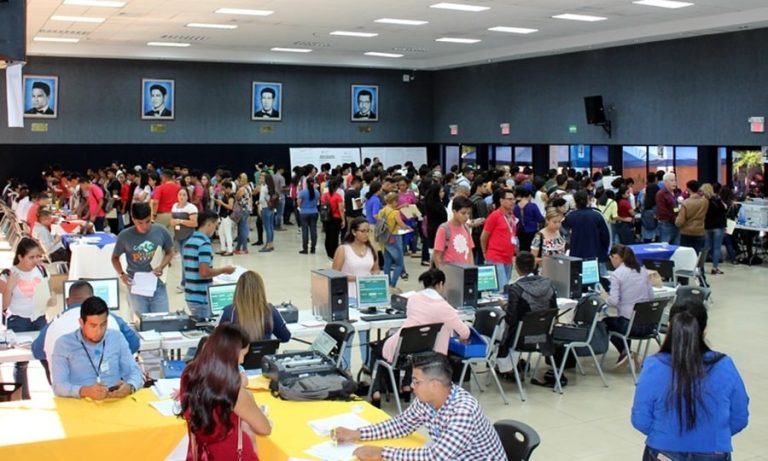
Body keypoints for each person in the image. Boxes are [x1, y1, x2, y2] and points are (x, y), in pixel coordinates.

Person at [632, 300, 749, 461]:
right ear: (705, 330)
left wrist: (665, 434)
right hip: (713, 450)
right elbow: (740, 417)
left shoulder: (654, 365)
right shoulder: (724, 365)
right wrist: (713, 435)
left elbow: (640, 419)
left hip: (664, 450)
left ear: (669, 327)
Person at [334, 352, 505, 460]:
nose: (412, 386)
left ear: (434, 384)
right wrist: (357, 433)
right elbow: (401, 424)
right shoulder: (427, 400)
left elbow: (437, 456)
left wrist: (381, 453)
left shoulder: (463, 411)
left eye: (416, 381)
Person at [370, 269, 470, 405]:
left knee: (378, 348)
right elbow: (465, 333)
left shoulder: (413, 299)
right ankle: (406, 386)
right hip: (427, 357)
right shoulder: (445, 308)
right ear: (441, 284)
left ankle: (376, 391)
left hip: (401, 354)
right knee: (416, 346)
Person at [179, 323, 271, 461]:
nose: (242, 361)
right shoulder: (234, 391)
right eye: (242, 355)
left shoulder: (189, 374)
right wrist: (248, 396)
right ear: (231, 354)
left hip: (202, 453)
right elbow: (264, 429)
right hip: (233, 454)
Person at [32, 281, 140, 375]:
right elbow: (134, 344)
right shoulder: (111, 318)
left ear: (68, 301)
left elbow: (37, 352)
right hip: (109, 390)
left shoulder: (54, 323)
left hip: (67, 394)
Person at [50, 296, 143, 399]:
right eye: (93, 326)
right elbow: (58, 386)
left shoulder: (117, 338)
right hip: (80, 405)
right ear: (81, 323)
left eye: (103, 324)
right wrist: (84, 391)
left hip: (113, 403)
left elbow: (134, 371)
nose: (99, 331)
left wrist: (130, 387)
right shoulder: (64, 344)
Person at [1, 238, 55, 398]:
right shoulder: (7, 275)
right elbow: (4, 306)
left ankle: (57, 390)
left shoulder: (42, 270)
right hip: (18, 320)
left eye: (38, 256)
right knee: (21, 362)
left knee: (46, 356)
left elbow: (47, 291)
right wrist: (10, 286)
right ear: (20, 257)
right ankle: (23, 396)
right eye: (31, 257)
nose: (35, 261)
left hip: (39, 318)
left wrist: (51, 299)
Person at [332, 217, 379, 368]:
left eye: (368, 231)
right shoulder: (343, 249)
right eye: (363, 231)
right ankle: (346, 367)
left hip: (366, 297)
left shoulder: (372, 250)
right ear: (354, 232)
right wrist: (357, 279)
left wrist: (376, 279)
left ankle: (367, 364)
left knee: (365, 333)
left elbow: (375, 270)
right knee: (348, 334)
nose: (366, 234)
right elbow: (334, 274)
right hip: (348, 297)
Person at [497, 251, 557, 369]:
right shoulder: (548, 285)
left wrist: (504, 306)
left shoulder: (516, 289)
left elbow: (510, 319)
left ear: (516, 267)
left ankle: (504, 368)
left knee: (494, 330)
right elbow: (554, 312)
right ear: (534, 265)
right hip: (543, 337)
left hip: (521, 339)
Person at [111, 202, 174, 314]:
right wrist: (122, 274)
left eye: (148, 221)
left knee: (162, 320)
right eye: (140, 223)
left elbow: (170, 252)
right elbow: (115, 258)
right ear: (133, 219)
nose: (144, 226)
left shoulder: (161, 231)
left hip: (157, 284)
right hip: (136, 285)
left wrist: (161, 266)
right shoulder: (124, 236)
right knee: (140, 323)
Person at [600, 244, 655, 367]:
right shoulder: (642, 271)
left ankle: (625, 351)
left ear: (616, 257)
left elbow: (613, 302)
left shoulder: (617, 275)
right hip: (649, 325)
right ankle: (626, 352)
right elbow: (651, 297)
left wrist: (605, 297)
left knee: (605, 322)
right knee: (624, 318)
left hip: (631, 326)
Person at [183, 211, 236, 318]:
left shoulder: (189, 242)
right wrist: (224, 270)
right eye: (215, 225)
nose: (215, 229)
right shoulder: (204, 244)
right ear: (209, 224)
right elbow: (204, 272)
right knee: (205, 328)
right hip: (201, 298)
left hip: (190, 295)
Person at [219, 271, 291, 343]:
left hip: (237, 354)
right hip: (265, 354)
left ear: (238, 289)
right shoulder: (270, 310)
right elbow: (285, 337)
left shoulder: (228, 312)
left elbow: (218, 341)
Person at [563, 190, 611, 274]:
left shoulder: (570, 216)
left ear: (574, 201)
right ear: (588, 199)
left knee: (577, 282)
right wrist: (605, 250)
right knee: (598, 282)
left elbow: (563, 233)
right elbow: (606, 235)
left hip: (576, 255)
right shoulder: (597, 215)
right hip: (596, 254)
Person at [481, 187, 518, 288]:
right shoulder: (495, 216)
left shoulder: (513, 217)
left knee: (505, 288)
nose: (512, 202)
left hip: (508, 257)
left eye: (513, 199)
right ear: (501, 201)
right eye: (509, 199)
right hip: (496, 256)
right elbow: (484, 236)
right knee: (501, 289)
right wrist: (484, 252)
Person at [377, 192, 410, 292]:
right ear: (394, 201)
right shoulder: (395, 213)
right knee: (399, 263)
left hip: (384, 238)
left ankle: (387, 284)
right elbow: (402, 224)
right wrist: (408, 227)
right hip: (394, 237)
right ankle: (393, 284)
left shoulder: (382, 211)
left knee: (387, 262)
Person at [432, 195, 474, 268]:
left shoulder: (466, 228)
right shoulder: (444, 229)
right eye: (463, 213)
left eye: (468, 213)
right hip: (449, 271)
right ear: (454, 212)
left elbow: (469, 252)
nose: (466, 216)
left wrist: (471, 270)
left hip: (465, 271)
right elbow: (437, 255)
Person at [171, 188, 199, 292]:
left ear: (188, 196)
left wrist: (181, 221)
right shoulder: (174, 206)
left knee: (186, 261)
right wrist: (173, 222)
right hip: (179, 237)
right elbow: (172, 220)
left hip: (188, 237)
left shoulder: (191, 208)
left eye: (184, 194)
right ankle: (189, 281)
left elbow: (194, 223)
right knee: (186, 261)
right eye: (180, 194)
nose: (181, 196)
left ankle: (185, 283)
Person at [676, 180, 709, 254]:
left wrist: (676, 221)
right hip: (700, 231)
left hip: (686, 233)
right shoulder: (705, 202)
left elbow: (680, 221)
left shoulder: (685, 203)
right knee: (697, 255)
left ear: (688, 189)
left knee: (686, 256)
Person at [514, 186, 545, 252]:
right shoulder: (532, 206)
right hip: (532, 232)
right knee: (532, 249)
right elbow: (540, 219)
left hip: (520, 231)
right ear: (529, 196)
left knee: (523, 249)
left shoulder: (516, 207)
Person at [321, 177, 345, 259]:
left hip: (326, 218)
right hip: (336, 218)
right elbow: (341, 209)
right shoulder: (338, 196)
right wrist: (343, 220)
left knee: (328, 236)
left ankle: (328, 253)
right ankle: (333, 253)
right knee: (335, 237)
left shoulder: (324, 196)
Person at [297, 176, 319, 254]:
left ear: (306, 183)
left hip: (304, 213)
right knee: (313, 230)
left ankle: (305, 249)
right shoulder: (316, 192)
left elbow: (299, 202)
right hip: (314, 212)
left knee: (305, 231)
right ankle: (313, 248)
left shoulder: (302, 192)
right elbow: (317, 202)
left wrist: (301, 207)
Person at [656, 173, 680, 244]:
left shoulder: (676, 193)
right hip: (666, 224)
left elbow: (676, 208)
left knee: (676, 247)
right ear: (665, 182)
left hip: (677, 224)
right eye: (672, 180)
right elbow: (662, 211)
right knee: (665, 246)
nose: (674, 183)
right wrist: (675, 219)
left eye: (675, 180)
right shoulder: (661, 194)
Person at [256, 172, 277, 253]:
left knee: (267, 227)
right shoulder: (270, 186)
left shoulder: (263, 187)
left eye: (262, 177)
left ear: (265, 179)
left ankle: (268, 245)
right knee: (271, 227)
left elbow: (261, 199)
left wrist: (257, 203)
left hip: (265, 208)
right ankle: (271, 244)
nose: (260, 178)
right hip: (271, 208)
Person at [215, 180, 236, 256]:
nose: (223, 190)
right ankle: (223, 248)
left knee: (227, 233)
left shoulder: (231, 196)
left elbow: (230, 207)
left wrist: (221, 203)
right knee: (221, 232)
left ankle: (230, 250)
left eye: (224, 189)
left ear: (229, 188)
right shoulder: (226, 195)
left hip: (228, 217)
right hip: (223, 216)